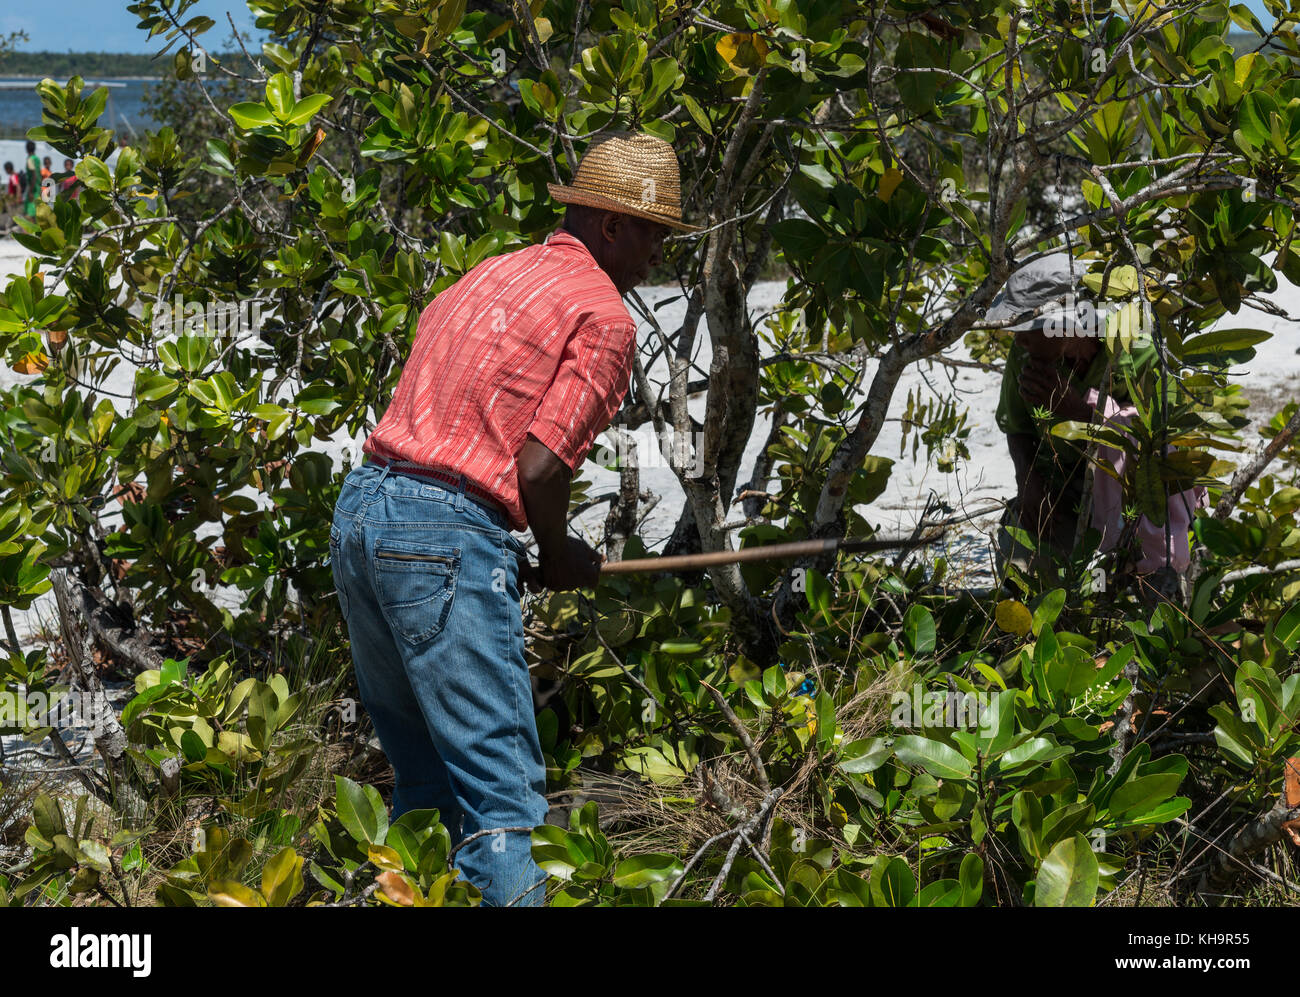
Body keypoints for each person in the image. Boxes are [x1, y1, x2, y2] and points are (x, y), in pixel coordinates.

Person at [328, 132, 698, 906]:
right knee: (502, 802)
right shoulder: (604, 318)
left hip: (362, 514)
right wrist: (559, 553)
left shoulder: (492, 272)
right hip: (439, 536)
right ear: (610, 227)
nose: (659, 252)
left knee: (423, 776)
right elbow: (538, 466)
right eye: (654, 232)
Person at [989, 253, 1204, 599]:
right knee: (1024, 562)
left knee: (1153, 593)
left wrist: (1081, 411)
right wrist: (1030, 485)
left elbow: (1162, 442)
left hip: (1135, 495)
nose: (1019, 340)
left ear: (1069, 323)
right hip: (1059, 487)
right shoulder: (1026, 357)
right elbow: (1018, 427)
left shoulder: (1136, 350)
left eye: (1029, 328)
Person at [23, 141, 39, 218]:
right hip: (38, 188)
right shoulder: (37, 159)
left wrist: (30, 191)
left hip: (33, 188)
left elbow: (34, 176)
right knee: (36, 211)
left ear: (26, 149)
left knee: (29, 214)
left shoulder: (30, 160)